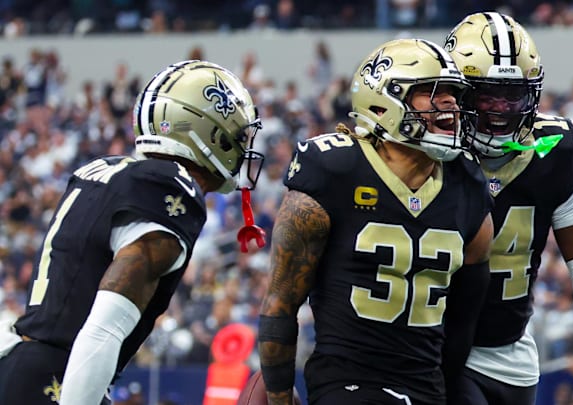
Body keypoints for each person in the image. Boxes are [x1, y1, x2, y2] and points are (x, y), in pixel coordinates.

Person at [0, 60, 264, 405]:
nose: (243, 147)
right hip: (57, 379)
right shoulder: (171, 186)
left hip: (26, 366)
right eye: (237, 135)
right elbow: (104, 327)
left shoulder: (105, 170)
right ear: (208, 129)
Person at [257, 38, 495, 405]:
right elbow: (280, 304)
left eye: (452, 94)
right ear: (386, 102)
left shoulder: (467, 184)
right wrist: (278, 396)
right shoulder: (334, 169)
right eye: (432, 92)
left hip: (426, 385)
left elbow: (465, 318)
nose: (450, 104)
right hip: (348, 382)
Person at [443, 11, 573, 404]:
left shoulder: (552, 149)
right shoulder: (430, 152)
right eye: (486, 94)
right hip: (435, 348)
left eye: (513, 95)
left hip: (513, 351)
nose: (500, 109)